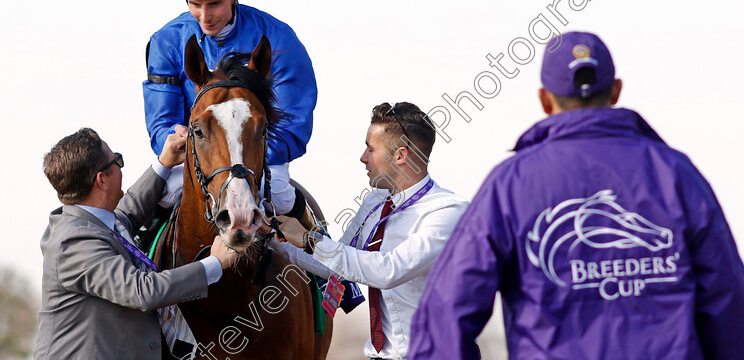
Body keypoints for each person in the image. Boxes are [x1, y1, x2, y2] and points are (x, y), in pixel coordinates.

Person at [410, 31, 744, 359]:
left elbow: (446, 313)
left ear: (544, 99)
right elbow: (728, 301)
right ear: (615, 91)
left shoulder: (510, 184)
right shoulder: (676, 173)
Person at [142, 0, 317, 225]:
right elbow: (161, 124)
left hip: (259, 155)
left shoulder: (280, 38)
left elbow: (293, 124)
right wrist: (198, 150)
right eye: (194, 4)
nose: (205, 16)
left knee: (281, 195)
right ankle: (136, 261)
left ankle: (321, 257)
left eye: (215, 3)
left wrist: (239, 156)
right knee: (162, 195)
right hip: (197, 156)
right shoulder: (165, 42)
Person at [273, 102, 469, 360]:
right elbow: (335, 266)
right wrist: (271, 240)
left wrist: (310, 240)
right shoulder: (375, 201)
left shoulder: (448, 211)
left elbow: (389, 271)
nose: (363, 157)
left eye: (371, 148)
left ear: (400, 155)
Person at [34, 128, 239, 359]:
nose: (121, 167)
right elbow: (143, 291)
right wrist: (214, 264)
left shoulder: (93, 223)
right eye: (117, 161)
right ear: (102, 180)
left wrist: (164, 163)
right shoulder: (73, 241)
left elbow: (128, 212)